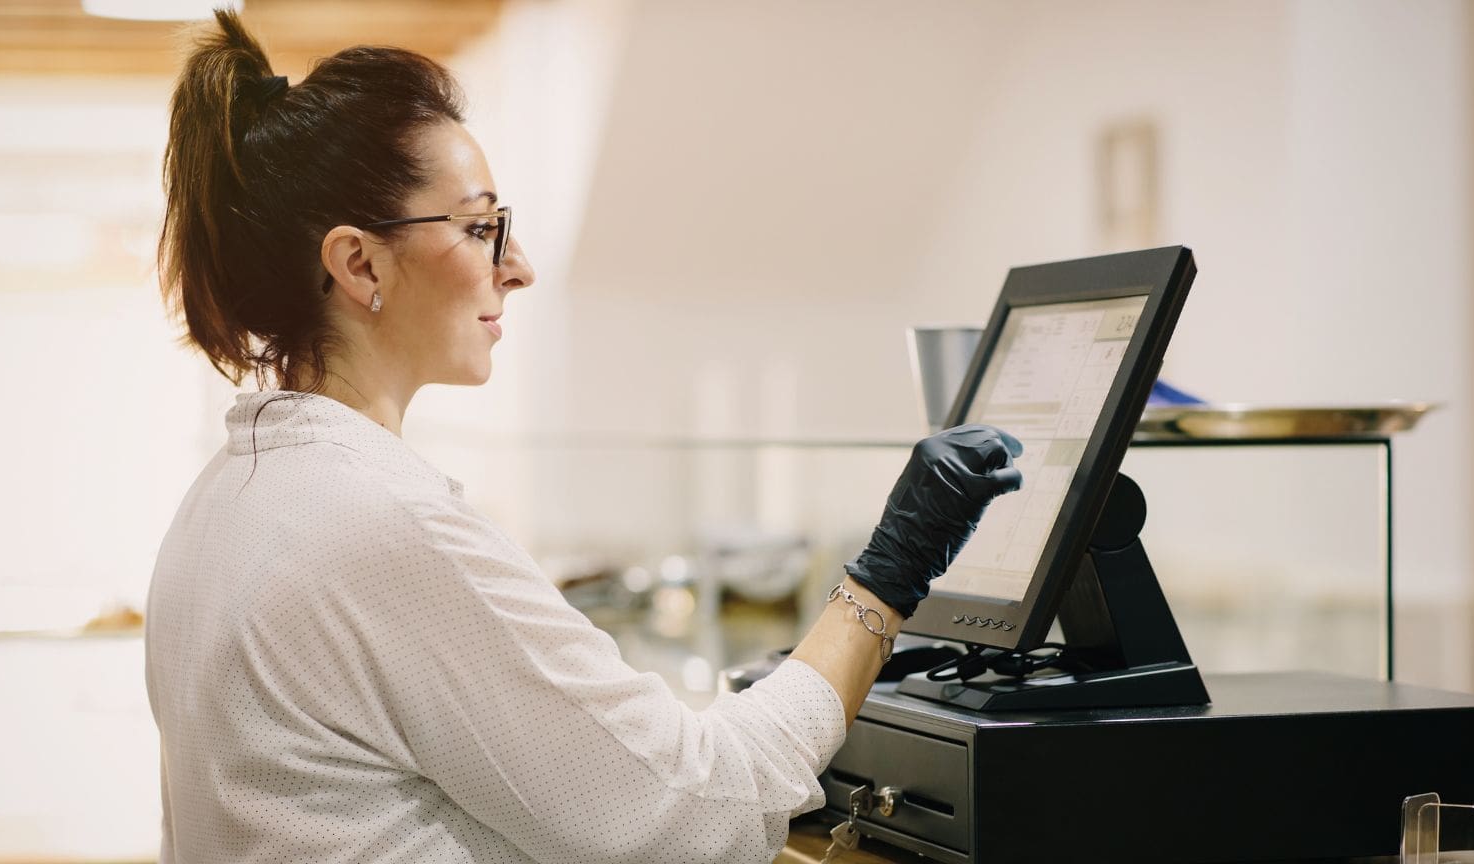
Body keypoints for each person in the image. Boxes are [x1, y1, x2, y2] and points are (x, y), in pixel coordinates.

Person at [145, 10, 1023, 864]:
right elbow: (700, 814)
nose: (518, 268)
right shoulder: (382, 525)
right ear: (359, 262)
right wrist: (887, 575)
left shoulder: (226, 495)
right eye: (481, 228)